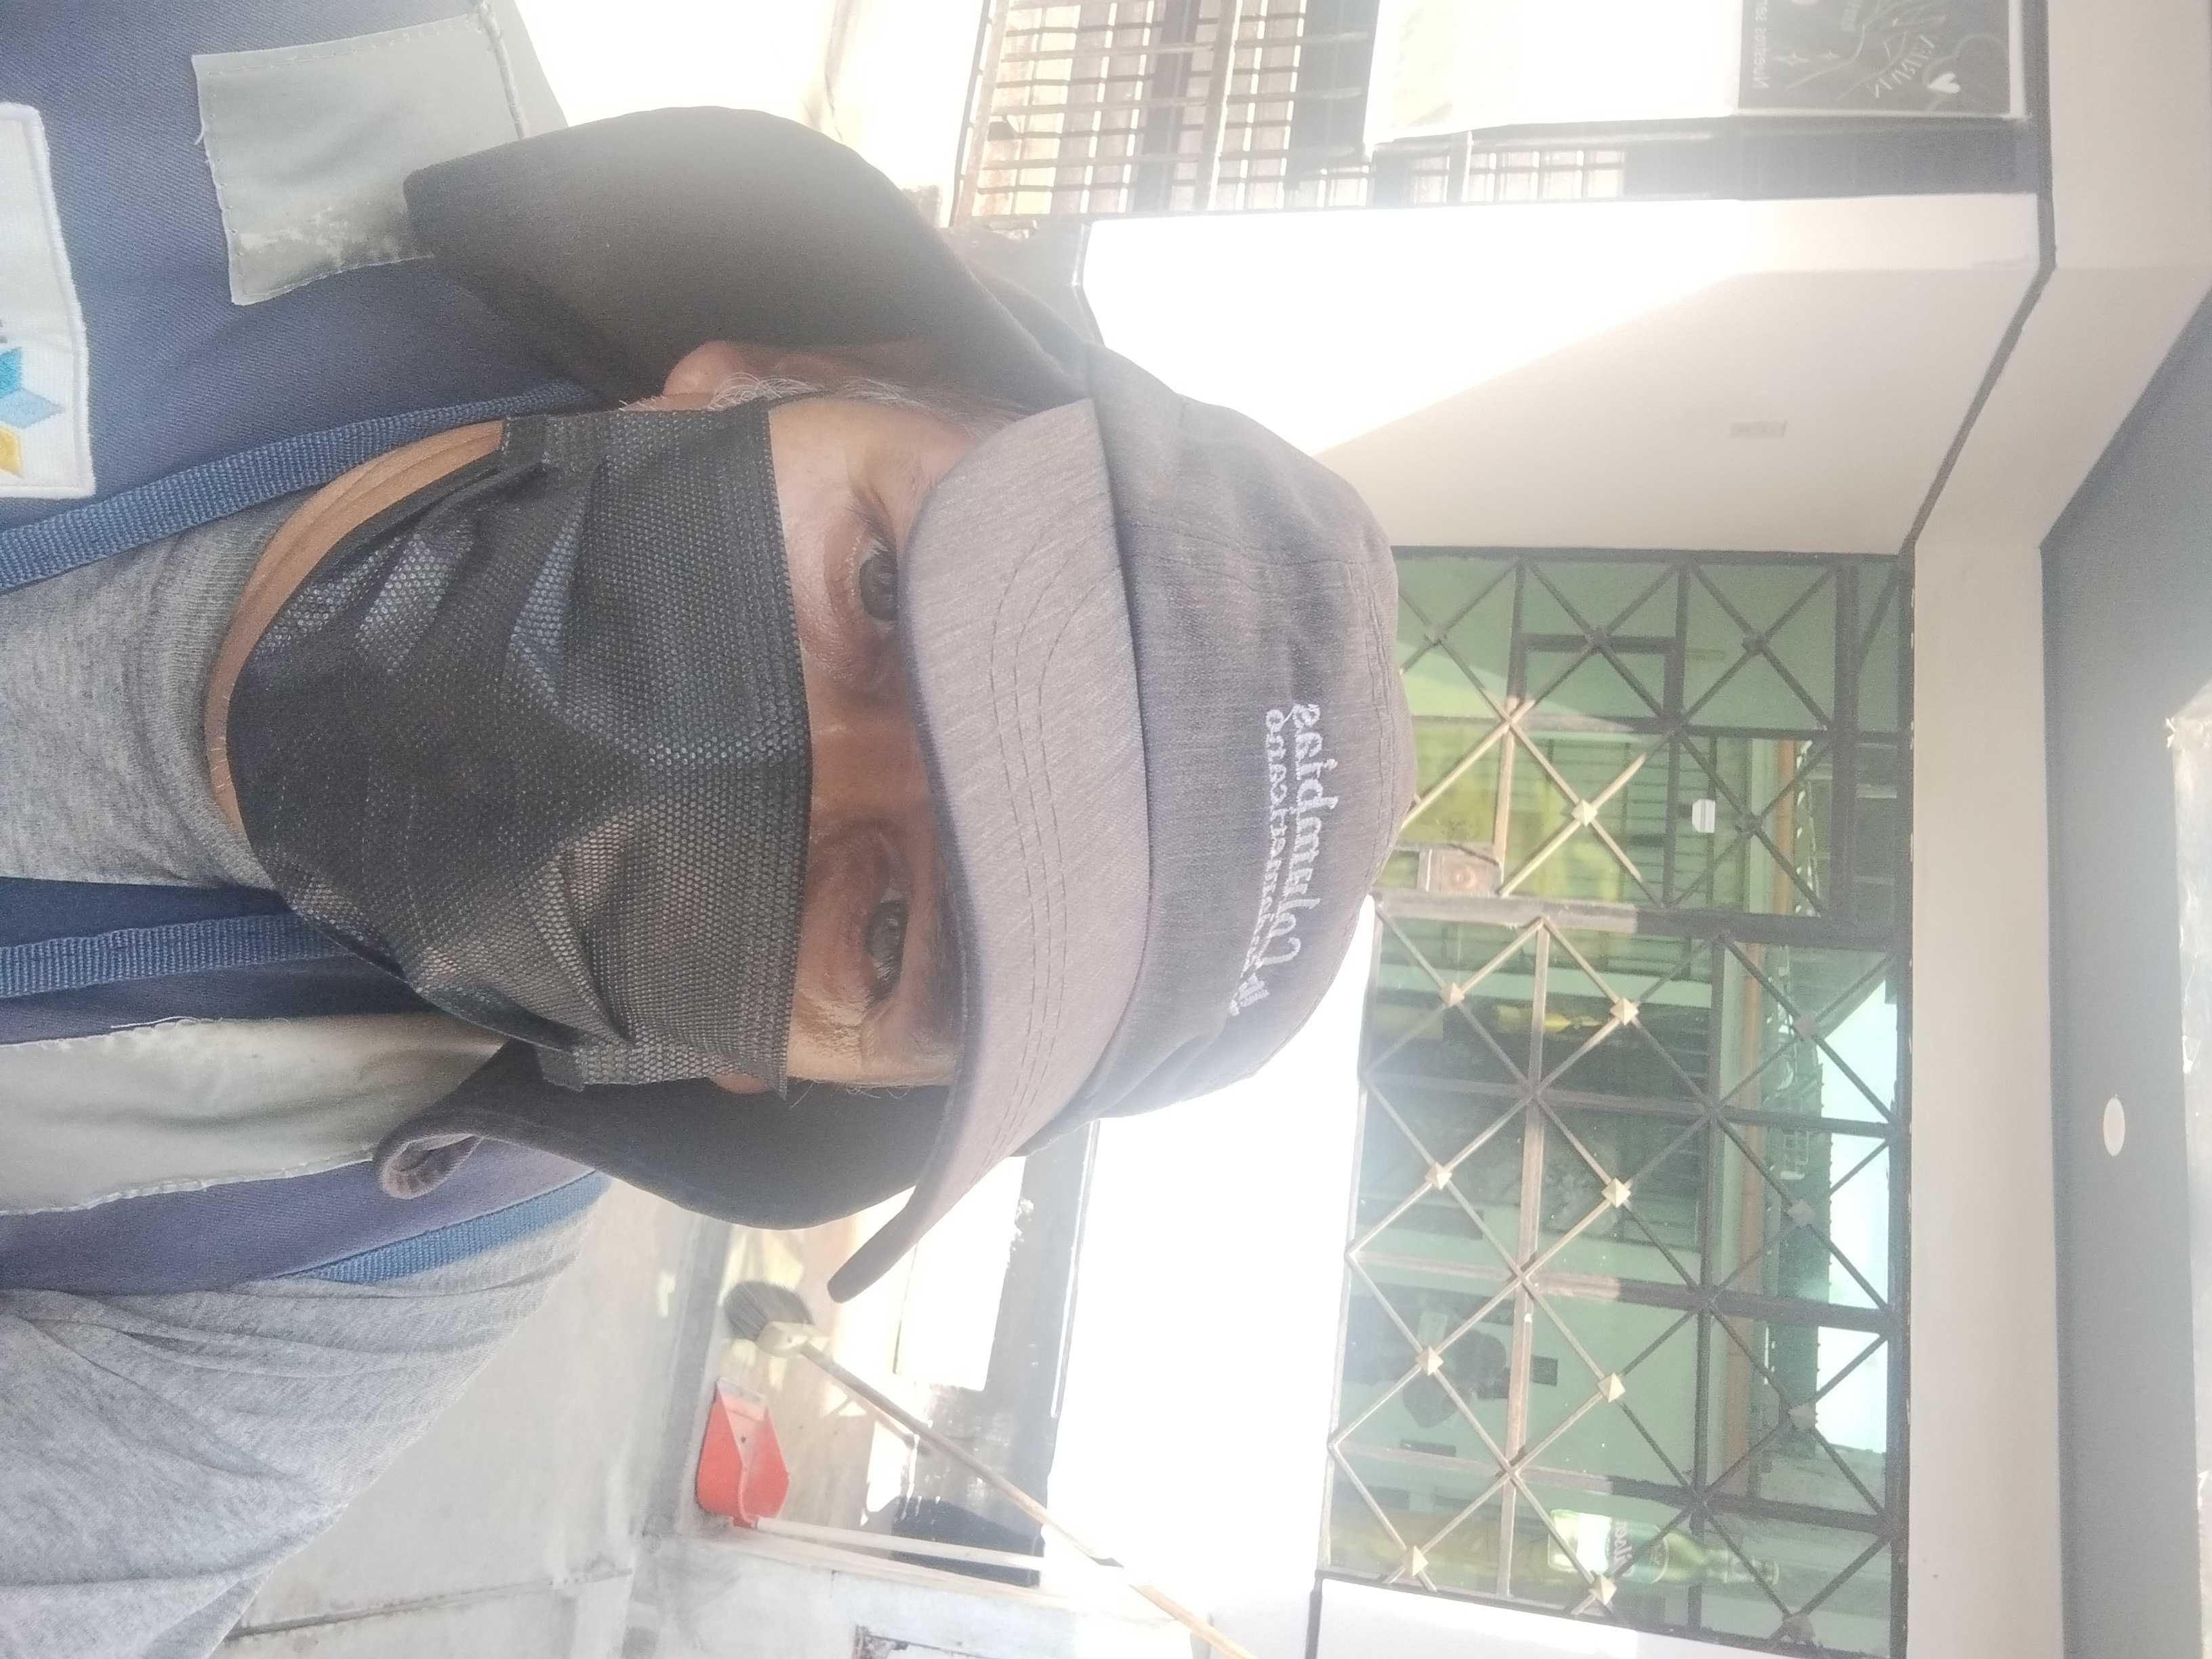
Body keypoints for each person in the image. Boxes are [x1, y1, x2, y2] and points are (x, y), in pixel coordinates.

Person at [0, 12, 1413, 1657]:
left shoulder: (337, 1281)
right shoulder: (294, 59)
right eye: (881, 588)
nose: (732, 755)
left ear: (767, 1074)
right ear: (775, 368)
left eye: (890, 931)